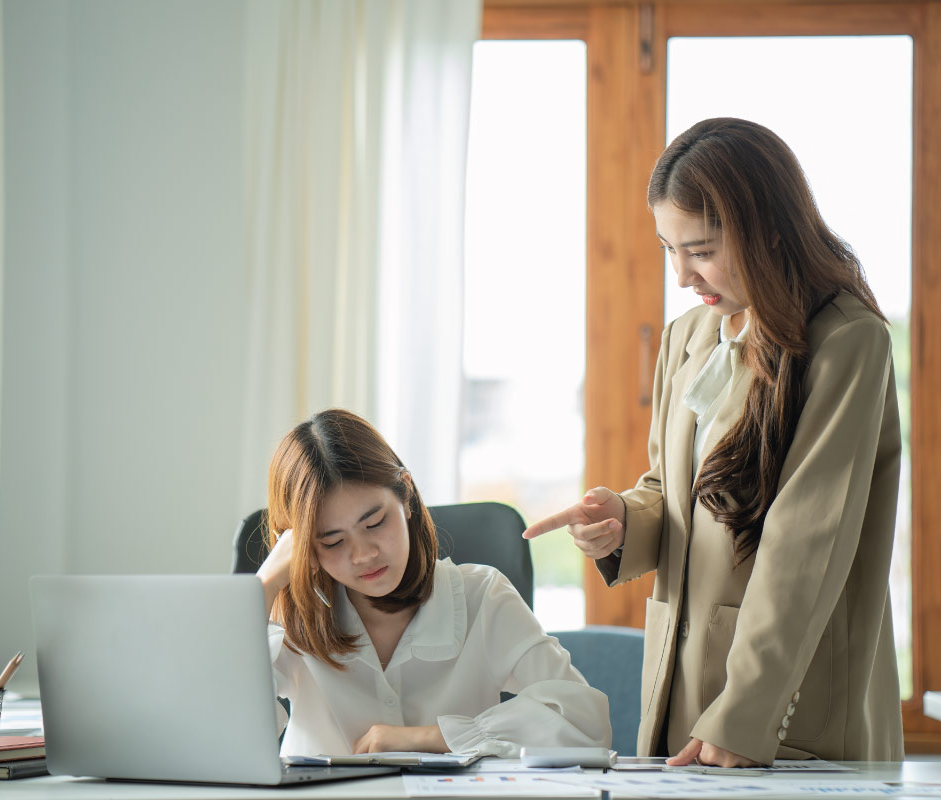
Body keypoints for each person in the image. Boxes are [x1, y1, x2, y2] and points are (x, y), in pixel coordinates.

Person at [524, 117, 904, 767]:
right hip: (683, 690)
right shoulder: (689, 338)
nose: (681, 276)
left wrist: (744, 712)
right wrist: (622, 520)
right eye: (669, 249)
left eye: (699, 250)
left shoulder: (848, 342)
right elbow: (668, 491)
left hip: (782, 708)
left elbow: (805, 546)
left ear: (769, 231)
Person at [256, 408, 611, 757]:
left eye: (375, 522)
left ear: (406, 495)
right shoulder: (289, 615)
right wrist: (264, 587)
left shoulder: (482, 597)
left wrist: (433, 737)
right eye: (332, 542)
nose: (363, 555)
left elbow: (585, 724)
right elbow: (220, 733)